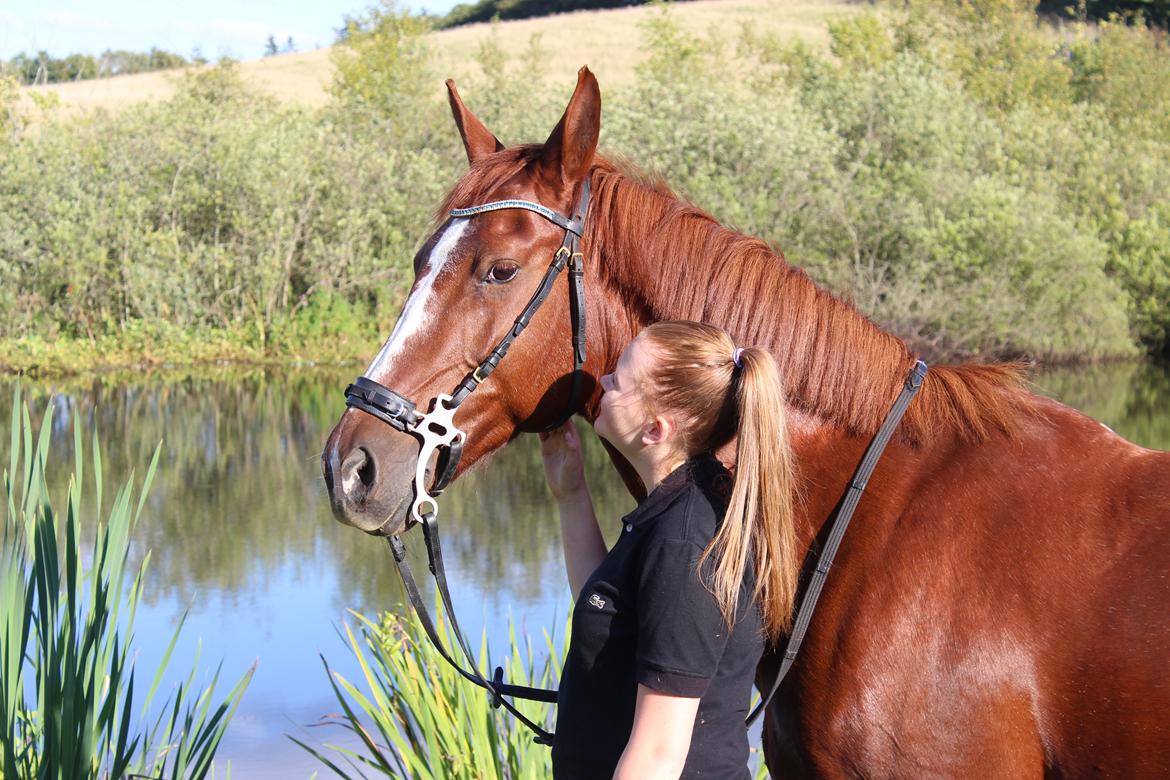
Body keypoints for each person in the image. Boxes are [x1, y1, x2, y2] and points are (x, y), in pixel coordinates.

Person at [540, 320, 801, 780]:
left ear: (656, 429)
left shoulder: (685, 540)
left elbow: (659, 754)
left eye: (618, 381)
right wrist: (571, 495)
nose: (602, 383)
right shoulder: (671, 510)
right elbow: (612, 615)